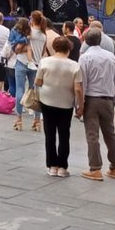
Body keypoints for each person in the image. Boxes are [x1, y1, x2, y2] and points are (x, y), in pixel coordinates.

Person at [77, 27, 115, 181]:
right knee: (110, 134)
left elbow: (82, 82)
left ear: (85, 41)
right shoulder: (111, 57)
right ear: (100, 40)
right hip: (108, 98)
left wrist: (80, 104)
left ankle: (95, 168)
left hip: (91, 98)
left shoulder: (85, 58)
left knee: (92, 134)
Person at [35, 36, 82, 177]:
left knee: (49, 134)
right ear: (69, 49)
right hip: (66, 103)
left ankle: (52, 165)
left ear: (55, 48)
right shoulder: (74, 65)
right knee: (64, 134)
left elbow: (38, 82)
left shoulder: (44, 62)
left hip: (47, 101)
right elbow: (78, 88)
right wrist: (80, 104)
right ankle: (62, 166)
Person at [9, 17, 33, 129]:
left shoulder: (14, 30)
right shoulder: (33, 32)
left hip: (20, 61)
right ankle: (37, 119)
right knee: (34, 90)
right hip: (33, 62)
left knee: (20, 89)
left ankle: (18, 118)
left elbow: (13, 45)